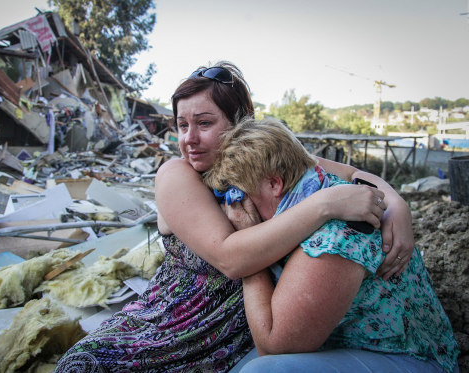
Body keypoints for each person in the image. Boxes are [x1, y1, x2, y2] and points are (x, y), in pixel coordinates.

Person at [55, 62, 415, 372]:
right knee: (84, 363)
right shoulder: (177, 175)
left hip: (249, 323)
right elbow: (231, 256)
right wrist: (325, 205)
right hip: (178, 319)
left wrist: (397, 205)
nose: (189, 139)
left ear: (241, 122)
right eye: (182, 125)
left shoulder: (264, 159)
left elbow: (351, 176)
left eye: (204, 123)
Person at [203, 116, 459, 373]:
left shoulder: (335, 233)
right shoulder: (317, 188)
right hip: (356, 347)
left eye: (242, 197)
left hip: (413, 359)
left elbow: (272, 345)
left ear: (274, 183)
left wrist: (251, 252)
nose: (239, 209)